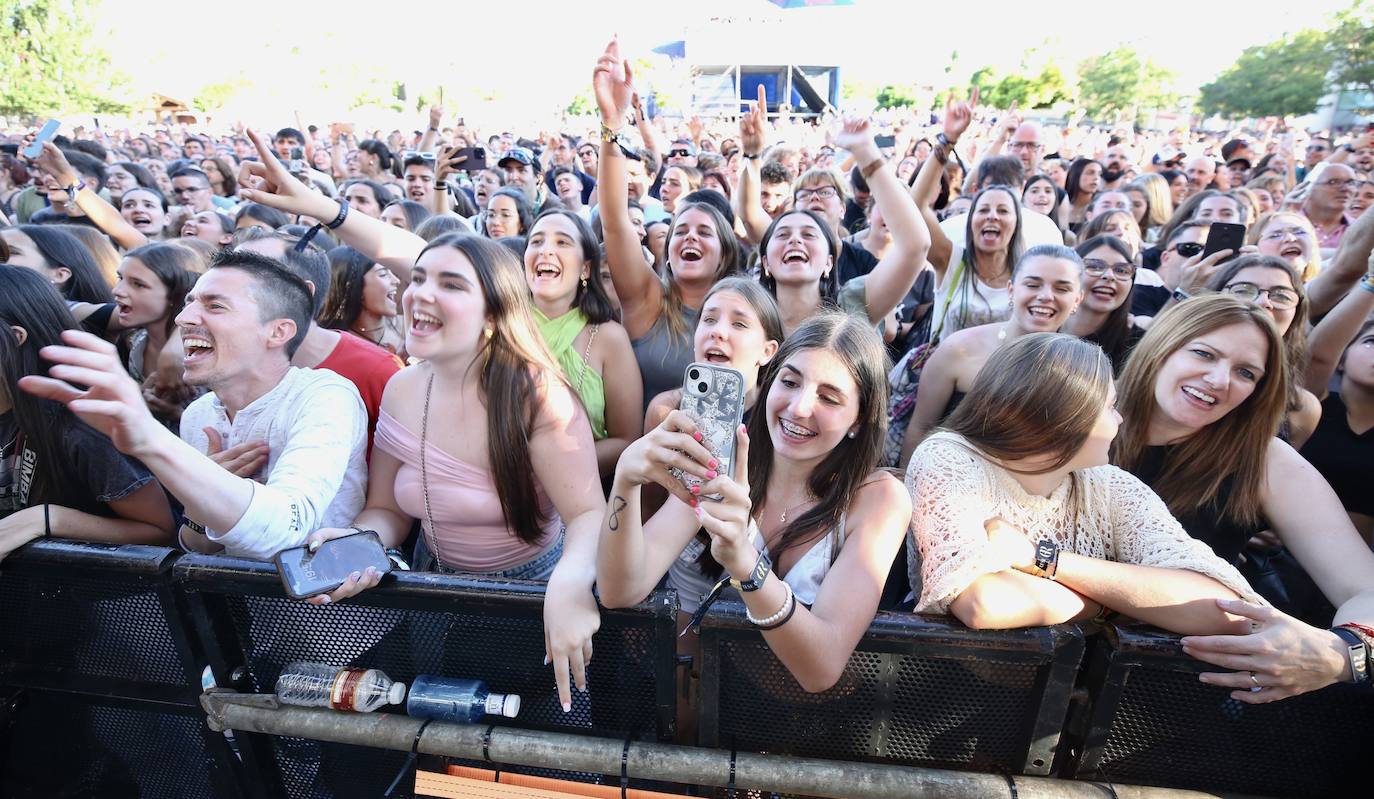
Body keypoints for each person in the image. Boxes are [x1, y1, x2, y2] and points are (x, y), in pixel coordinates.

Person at [301, 233, 604, 712]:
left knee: (534, 750)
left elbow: (588, 512)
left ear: (492, 313)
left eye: (450, 284)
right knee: (445, 730)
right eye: (417, 278)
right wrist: (356, 542)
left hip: (530, 596)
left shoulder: (537, 394)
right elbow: (385, 509)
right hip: (434, 585)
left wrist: (569, 585)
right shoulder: (401, 387)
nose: (420, 293)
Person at [599, 311, 910, 693]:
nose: (798, 407)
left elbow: (822, 667)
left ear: (860, 419)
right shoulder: (720, 463)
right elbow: (621, 590)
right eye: (790, 382)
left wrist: (745, 562)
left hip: (826, 731)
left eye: (829, 397)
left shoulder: (878, 497)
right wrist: (626, 482)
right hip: (723, 715)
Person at [22, 249, 368, 561]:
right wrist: (203, 504)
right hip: (235, 621)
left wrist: (152, 440)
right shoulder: (199, 414)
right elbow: (197, 545)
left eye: (214, 306)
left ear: (278, 332)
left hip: (334, 623)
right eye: (189, 303)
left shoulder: (324, 395)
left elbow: (284, 533)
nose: (183, 318)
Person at [907, 332, 1263, 635]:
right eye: (1110, 406)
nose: (1120, 420)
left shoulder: (1110, 486)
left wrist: (1042, 559)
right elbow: (984, 603)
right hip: (948, 695)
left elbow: (1228, 611)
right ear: (1065, 413)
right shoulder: (949, 458)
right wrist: (1116, 606)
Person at [1112, 294, 1374, 703]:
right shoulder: (1072, 406)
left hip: (1160, 704)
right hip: (1011, 676)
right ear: (1162, 345)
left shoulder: (1264, 460)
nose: (1219, 380)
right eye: (1203, 353)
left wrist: (1344, 653)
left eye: (1246, 373)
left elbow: (1366, 589)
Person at [595, 39, 740, 406]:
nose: (690, 237)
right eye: (681, 231)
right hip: (643, 458)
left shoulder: (746, 313)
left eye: (704, 232)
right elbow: (614, 221)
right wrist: (612, 125)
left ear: (725, 254)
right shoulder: (649, 301)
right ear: (669, 251)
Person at [0, 268, 175, 562]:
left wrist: (45, 520)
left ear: (16, 337)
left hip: (101, 601)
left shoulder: (80, 422)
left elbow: (159, 530)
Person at [899, 245, 1084, 465]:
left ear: (1077, 300)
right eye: (1032, 285)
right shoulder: (959, 350)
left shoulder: (1082, 370)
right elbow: (920, 429)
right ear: (1011, 290)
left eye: (1061, 289)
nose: (1045, 296)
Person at [755, 119, 930, 335]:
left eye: (809, 234)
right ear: (765, 263)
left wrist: (865, 152)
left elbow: (915, 245)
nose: (795, 240)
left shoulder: (852, 305)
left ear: (830, 261)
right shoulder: (748, 317)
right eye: (782, 234)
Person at [523, 208, 642, 477]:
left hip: (580, 496)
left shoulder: (608, 337)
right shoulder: (499, 329)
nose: (545, 251)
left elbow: (627, 439)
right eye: (536, 241)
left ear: (585, 268)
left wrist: (545, 469)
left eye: (562, 242)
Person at [1205, 255, 1320, 447]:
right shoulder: (1171, 366)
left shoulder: (1302, 407)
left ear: (1297, 313)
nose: (1263, 301)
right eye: (1243, 290)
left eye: (1281, 296)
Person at [1301, 262, 1374, 543]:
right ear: (1341, 358)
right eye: (1371, 341)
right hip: (1279, 564)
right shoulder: (1311, 409)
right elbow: (1317, 354)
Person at [1063, 236, 1143, 373]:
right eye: (1094, 266)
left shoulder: (1138, 346)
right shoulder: (1041, 323)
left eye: (1121, 270)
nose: (1109, 276)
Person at [320, 246, 405, 356]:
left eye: (392, 273)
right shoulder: (336, 346)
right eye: (383, 274)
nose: (396, 281)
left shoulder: (408, 329)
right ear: (354, 287)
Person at [1064, 158, 1103, 231]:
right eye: (1090, 173)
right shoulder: (1061, 205)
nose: (1096, 178)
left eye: (1099, 174)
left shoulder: (1100, 207)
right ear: (1074, 175)